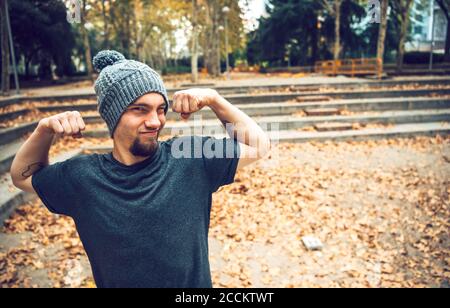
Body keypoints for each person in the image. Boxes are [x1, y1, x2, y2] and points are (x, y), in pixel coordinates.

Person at [10, 50, 271, 288]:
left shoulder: (191, 158)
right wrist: (44, 130)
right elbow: (22, 177)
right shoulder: (83, 177)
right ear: (113, 116)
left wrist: (215, 99)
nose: (155, 121)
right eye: (140, 110)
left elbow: (259, 146)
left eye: (160, 109)